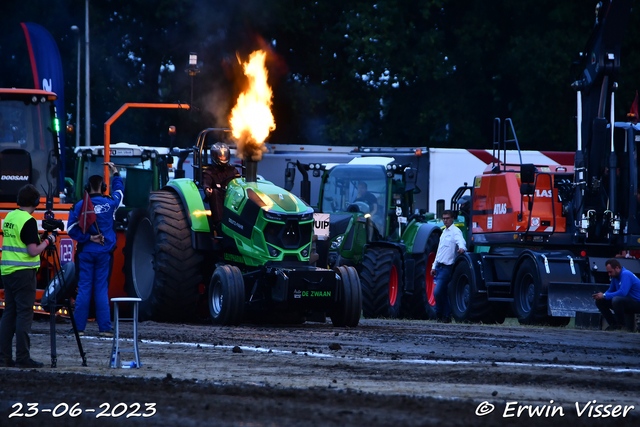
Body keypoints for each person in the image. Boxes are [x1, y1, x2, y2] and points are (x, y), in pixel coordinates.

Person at [0, 184, 55, 368]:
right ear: (36, 202)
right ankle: (23, 357)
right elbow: (33, 251)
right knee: (24, 314)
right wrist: (48, 241)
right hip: (23, 273)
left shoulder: (9, 216)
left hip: (7, 272)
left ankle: (4, 356)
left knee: (9, 313)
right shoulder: (28, 221)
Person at [67, 163, 124, 337]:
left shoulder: (80, 206)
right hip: (104, 252)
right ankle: (105, 328)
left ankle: (80, 328)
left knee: (84, 288)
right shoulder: (110, 203)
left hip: (85, 253)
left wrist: (88, 238)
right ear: (103, 187)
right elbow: (120, 193)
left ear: (87, 187)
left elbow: (70, 229)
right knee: (100, 289)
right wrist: (116, 174)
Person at [430, 210, 467, 322]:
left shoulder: (456, 231)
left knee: (437, 292)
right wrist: (433, 266)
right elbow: (439, 252)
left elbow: (461, 242)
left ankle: (439, 313)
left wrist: (462, 248)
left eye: (447, 218)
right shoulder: (444, 233)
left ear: (452, 219)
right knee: (443, 292)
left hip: (447, 267)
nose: (445, 220)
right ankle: (446, 316)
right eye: (444, 218)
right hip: (439, 267)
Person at [592, 258, 640, 331]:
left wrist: (604, 296)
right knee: (600, 301)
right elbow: (610, 290)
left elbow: (623, 293)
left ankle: (623, 326)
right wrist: (601, 296)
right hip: (627, 301)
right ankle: (613, 324)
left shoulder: (626, 274)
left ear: (617, 268)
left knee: (616, 300)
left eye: (610, 272)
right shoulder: (615, 277)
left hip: (636, 302)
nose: (609, 274)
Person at [203, 142, 239, 224]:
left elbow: (239, 182)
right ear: (214, 156)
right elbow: (206, 182)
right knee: (215, 192)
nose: (223, 158)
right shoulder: (209, 172)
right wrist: (207, 189)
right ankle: (219, 223)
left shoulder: (233, 171)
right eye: (220, 155)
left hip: (232, 196)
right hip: (218, 197)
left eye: (224, 155)